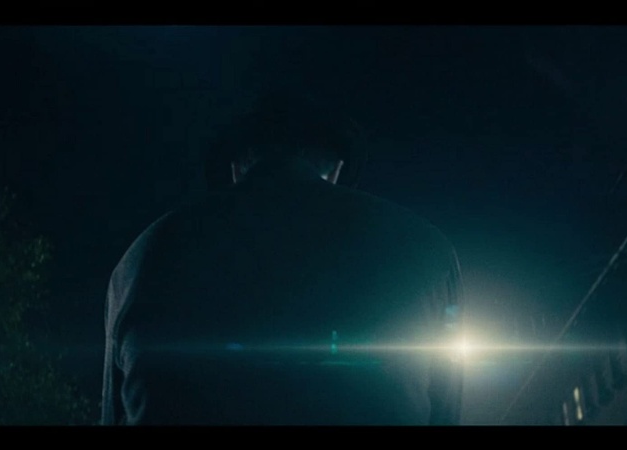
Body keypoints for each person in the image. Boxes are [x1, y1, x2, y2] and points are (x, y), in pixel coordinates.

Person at [101, 92, 465, 425]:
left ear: (236, 167)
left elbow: (114, 413)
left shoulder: (145, 254)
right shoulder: (425, 250)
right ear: (336, 168)